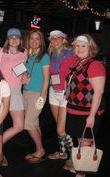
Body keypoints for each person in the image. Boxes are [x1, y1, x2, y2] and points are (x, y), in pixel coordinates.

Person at [65, 34, 105, 177]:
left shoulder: (95, 65)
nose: (80, 48)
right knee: (80, 140)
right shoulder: (77, 63)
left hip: (87, 112)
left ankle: (81, 173)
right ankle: (81, 167)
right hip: (75, 110)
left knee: (86, 142)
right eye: (77, 45)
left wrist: (92, 116)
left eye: (83, 45)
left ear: (90, 48)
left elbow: (99, 92)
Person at [0, 28, 28, 165]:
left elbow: (23, 70)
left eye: (17, 37)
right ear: (8, 39)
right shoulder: (0, 53)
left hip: (16, 92)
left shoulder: (24, 53)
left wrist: (26, 76)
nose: (14, 39)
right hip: (2, 91)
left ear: (20, 39)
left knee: (20, 125)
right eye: (11, 37)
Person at [21, 30, 50, 163]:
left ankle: (40, 150)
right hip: (26, 92)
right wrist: (23, 78)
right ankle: (40, 149)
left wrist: (42, 97)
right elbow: (24, 73)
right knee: (35, 123)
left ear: (41, 41)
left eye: (37, 39)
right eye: (32, 38)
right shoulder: (27, 55)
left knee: (28, 124)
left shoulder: (44, 56)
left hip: (37, 94)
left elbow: (46, 78)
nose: (34, 41)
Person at [47, 30, 74, 165]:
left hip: (65, 92)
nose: (55, 41)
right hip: (53, 91)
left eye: (58, 38)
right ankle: (63, 153)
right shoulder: (51, 53)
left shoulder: (71, 53)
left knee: (60, 129)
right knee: (59, 125)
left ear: (64, 39)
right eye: (53, 39)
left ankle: (74, 156)